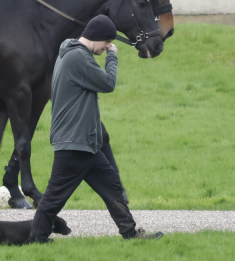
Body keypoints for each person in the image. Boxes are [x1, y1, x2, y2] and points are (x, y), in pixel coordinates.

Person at [29, 14, 163, 243]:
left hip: (85, 142)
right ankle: (36, 240)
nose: (106, 47)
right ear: (97, 38)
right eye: (106, 43)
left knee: (111, 185)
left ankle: (130, 234)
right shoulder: (78, 58)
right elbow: (108, 83)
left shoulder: (71, 53)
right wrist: (113, 56)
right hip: (74, 142)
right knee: (53, 198)